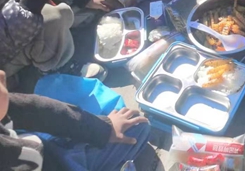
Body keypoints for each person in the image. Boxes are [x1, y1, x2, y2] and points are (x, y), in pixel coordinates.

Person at [0, 69, 151, 171]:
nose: (2, 74)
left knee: (136, 125)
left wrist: (104, 128)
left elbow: (38, 109)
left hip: (53, 152)